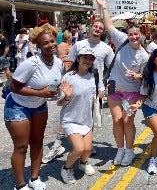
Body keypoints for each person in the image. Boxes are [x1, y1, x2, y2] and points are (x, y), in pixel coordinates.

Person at [42, 18, 114, 163]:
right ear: (90, 27)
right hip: (76, 84)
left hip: (95, 86)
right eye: (95, 26)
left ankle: (87, 144)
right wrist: (65, 82)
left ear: (103, 31)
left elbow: (112, 67)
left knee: (90, 116)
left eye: (100, 27)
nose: (98, 29)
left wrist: (108, 86)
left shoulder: (106, 48)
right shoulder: (79, 44)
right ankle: (57, 145)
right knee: (70, 113)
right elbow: (69, 63)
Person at [4, 23, 63, 190]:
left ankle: (34, 178)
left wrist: (58, 93)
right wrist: (40, 93)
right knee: (21, 146)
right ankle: (20, 185)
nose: (51, 44)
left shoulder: (58, 63)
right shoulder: (31, 63)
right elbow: (14, 87)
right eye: (45, 43)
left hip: (39, 106)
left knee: (37, 142)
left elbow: (53, 85)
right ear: (38, 45)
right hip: (17, 106)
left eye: (52, 40)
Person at [97, 0, 149, 166]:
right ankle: (120, 149)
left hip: (131, 92)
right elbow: (109, 25)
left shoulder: (144, 56)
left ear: (141, 35)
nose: (134, 37)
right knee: (117, 120)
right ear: (128, 35)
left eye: (136, 34)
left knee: (127, 120)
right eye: (131, 34)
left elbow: (147, 78)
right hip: (113, 88)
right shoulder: (121, 40)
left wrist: (138, 76)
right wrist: (104, 7)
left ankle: (129, 150)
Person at [58, 47, 98, 184]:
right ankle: (66, 168)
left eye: (91, 58)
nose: (88, 61)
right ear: (78, 59)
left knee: (87, 150)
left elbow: (97, 94)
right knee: (79, 148)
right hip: (71, 119)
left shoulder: (93, 76)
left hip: (86, 119)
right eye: (85, 57)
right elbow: (60, 102)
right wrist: (67, 97)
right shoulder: (69, 77)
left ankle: (83, 163)